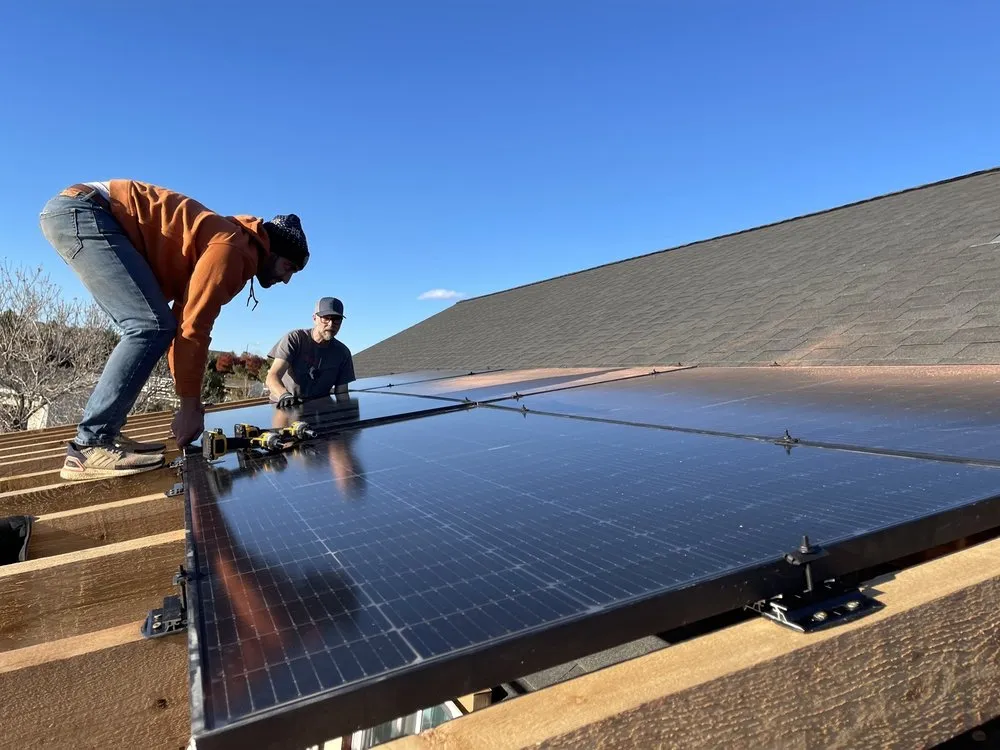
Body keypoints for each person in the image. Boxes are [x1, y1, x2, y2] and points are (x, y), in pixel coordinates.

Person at [38, 181, 309, 480]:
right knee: (149, 325)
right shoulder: (234, 250)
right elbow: (195, 327)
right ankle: (90, 445)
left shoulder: (222, 243)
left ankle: (106, 435)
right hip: (86, 211)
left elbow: (181, 327)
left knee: (156, 325)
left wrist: (187, 401)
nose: (286, 280)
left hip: (84, 211)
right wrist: (191, 405)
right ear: (273, 251)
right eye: (289, 267)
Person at [265, 297, 356, 406]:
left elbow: (342, 393)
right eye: (325, 318)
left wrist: (347, 415)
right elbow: (272, 376)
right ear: (314, 318)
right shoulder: (295, 339)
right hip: (285, 404)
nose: (331, 324)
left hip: (320, 408)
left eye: (336, 319)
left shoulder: (342, 352)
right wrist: (284, 395)